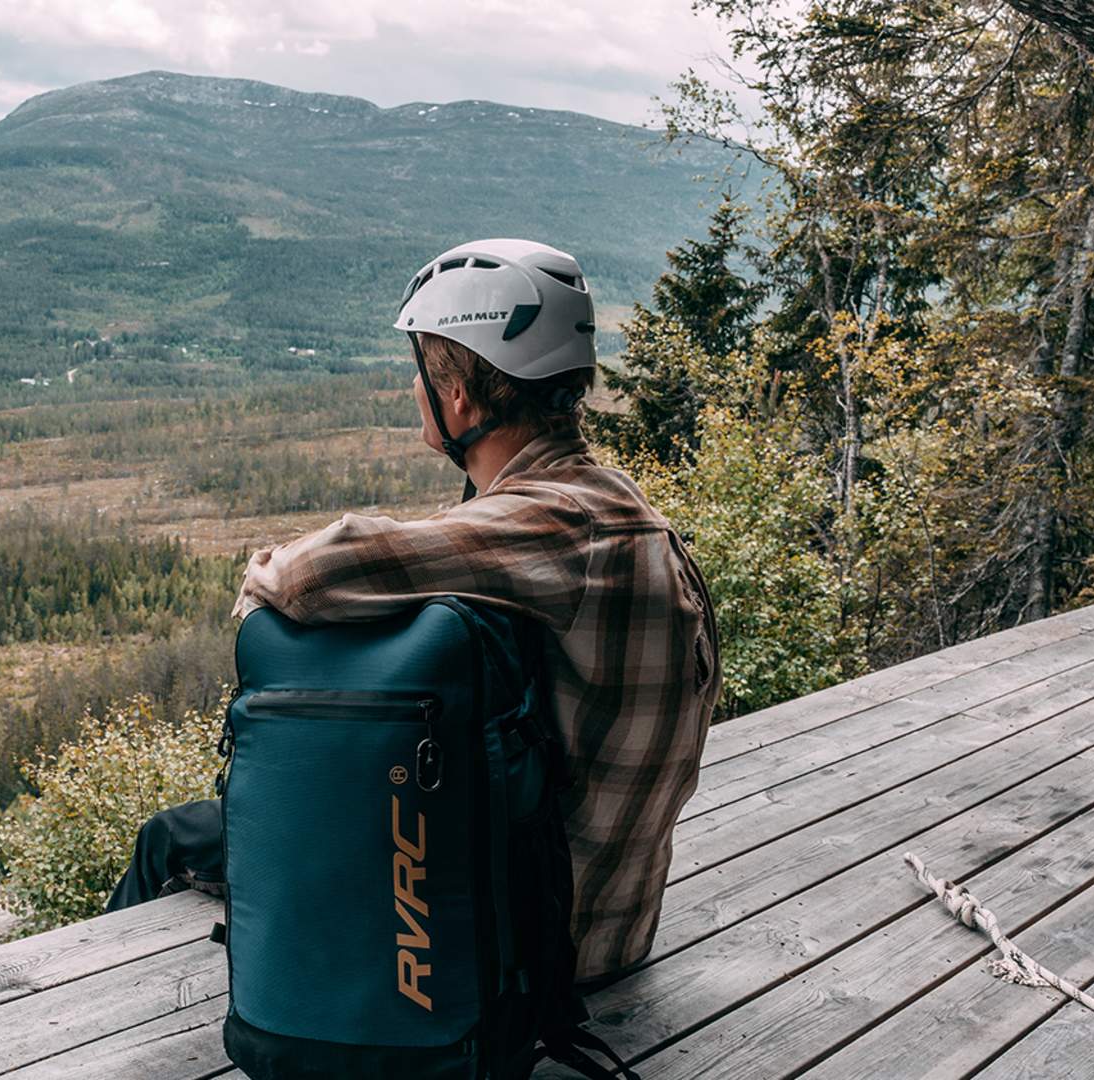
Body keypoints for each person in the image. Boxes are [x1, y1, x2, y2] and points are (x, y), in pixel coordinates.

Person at [106, 238, 721, 985]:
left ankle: (103, 1025)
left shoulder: (558, 530)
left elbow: (300, 579)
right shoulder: (621, 506)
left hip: (521, 952)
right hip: (612, 926)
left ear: (458, 396)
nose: (417, 391)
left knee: (170, 838)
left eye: (423, 372)